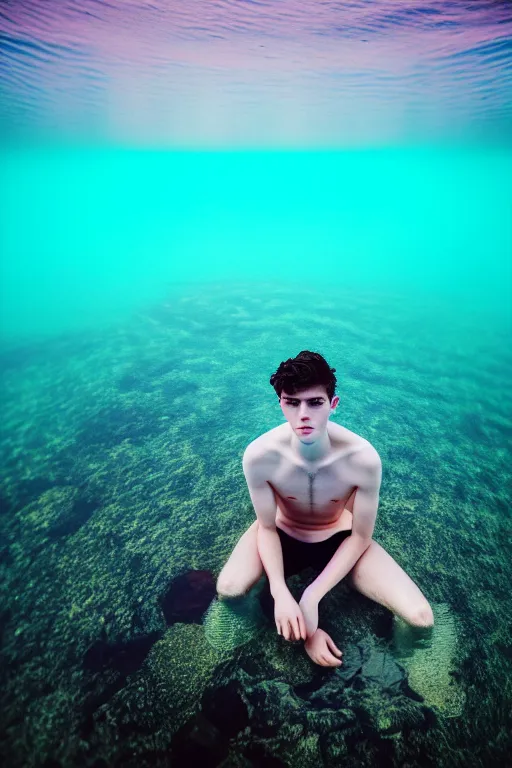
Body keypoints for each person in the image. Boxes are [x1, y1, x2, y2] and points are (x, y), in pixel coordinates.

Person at [216, 350, 434, 668]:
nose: (303, 414)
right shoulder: (259, 456)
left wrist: (311, 596)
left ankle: (408, 665)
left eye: (315, 402)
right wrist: (279, 591)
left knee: (421, 619)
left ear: (332, 405)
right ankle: (246, 632)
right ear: (281, 404)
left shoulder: (363, 458)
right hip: (281, 531)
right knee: (229, 590)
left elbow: (360, 537)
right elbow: (265, 527)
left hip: (340, 537)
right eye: (292, 402)